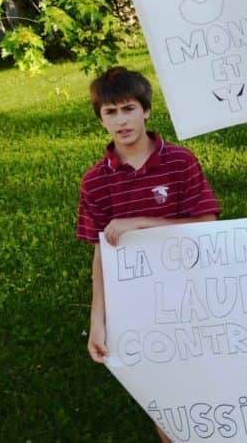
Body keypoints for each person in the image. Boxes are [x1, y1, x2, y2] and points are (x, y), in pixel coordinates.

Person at [77, 67, 220, 443]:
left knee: (208, 387)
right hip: (138, 305)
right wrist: (98, 320)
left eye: (128, 108)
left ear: (146, 110)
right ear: (101, 119)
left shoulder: (180, 161)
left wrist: (141, 222)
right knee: (163, 397)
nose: (121, 120)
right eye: (110, 112)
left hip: (192, 293)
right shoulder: (95, 180)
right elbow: (100, 253)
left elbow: (206, 224)